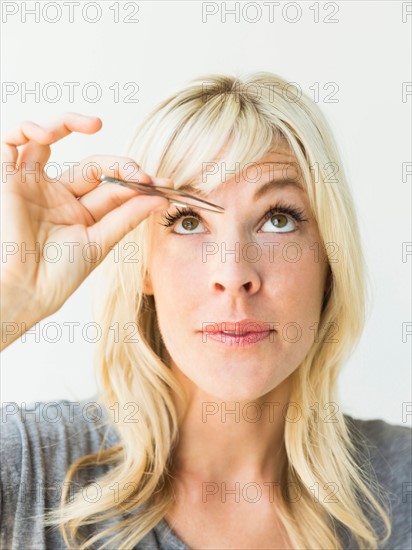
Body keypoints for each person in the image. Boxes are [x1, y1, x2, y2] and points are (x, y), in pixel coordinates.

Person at [1, 72, 411, 550]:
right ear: (144, 268)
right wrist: (10, 300)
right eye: (189, 220)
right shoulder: (28, 468)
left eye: (279, 219)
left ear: (328, 260)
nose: (234, 272)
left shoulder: (401, 481)